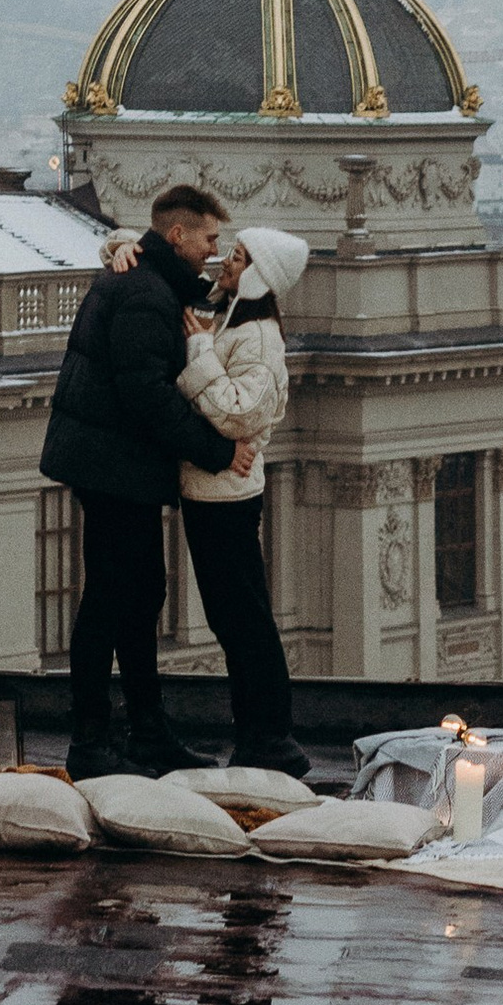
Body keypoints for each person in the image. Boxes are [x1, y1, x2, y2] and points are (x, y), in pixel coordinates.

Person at [39, 182, 241, 778]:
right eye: (208, 238)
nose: (212, 250)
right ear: (177, 235)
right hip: (114, 469)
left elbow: (198, 300)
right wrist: (216, 449)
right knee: (109, 599)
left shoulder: (150, 283)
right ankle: (94, 740)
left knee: (137, 594)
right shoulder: (144, 295)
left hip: (114, 466)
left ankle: (141, 732)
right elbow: (146, 395)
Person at [174, 223, 312, 774]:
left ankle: (270, 738)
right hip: (214, 491)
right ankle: (259, 736)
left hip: (227, 498)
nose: (225, 263)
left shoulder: (257, 338)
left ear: (257, 275)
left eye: (237, 257)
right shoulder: (235, 319)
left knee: (243, 622)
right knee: (235, 619)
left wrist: (200, 352)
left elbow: (237, 412)